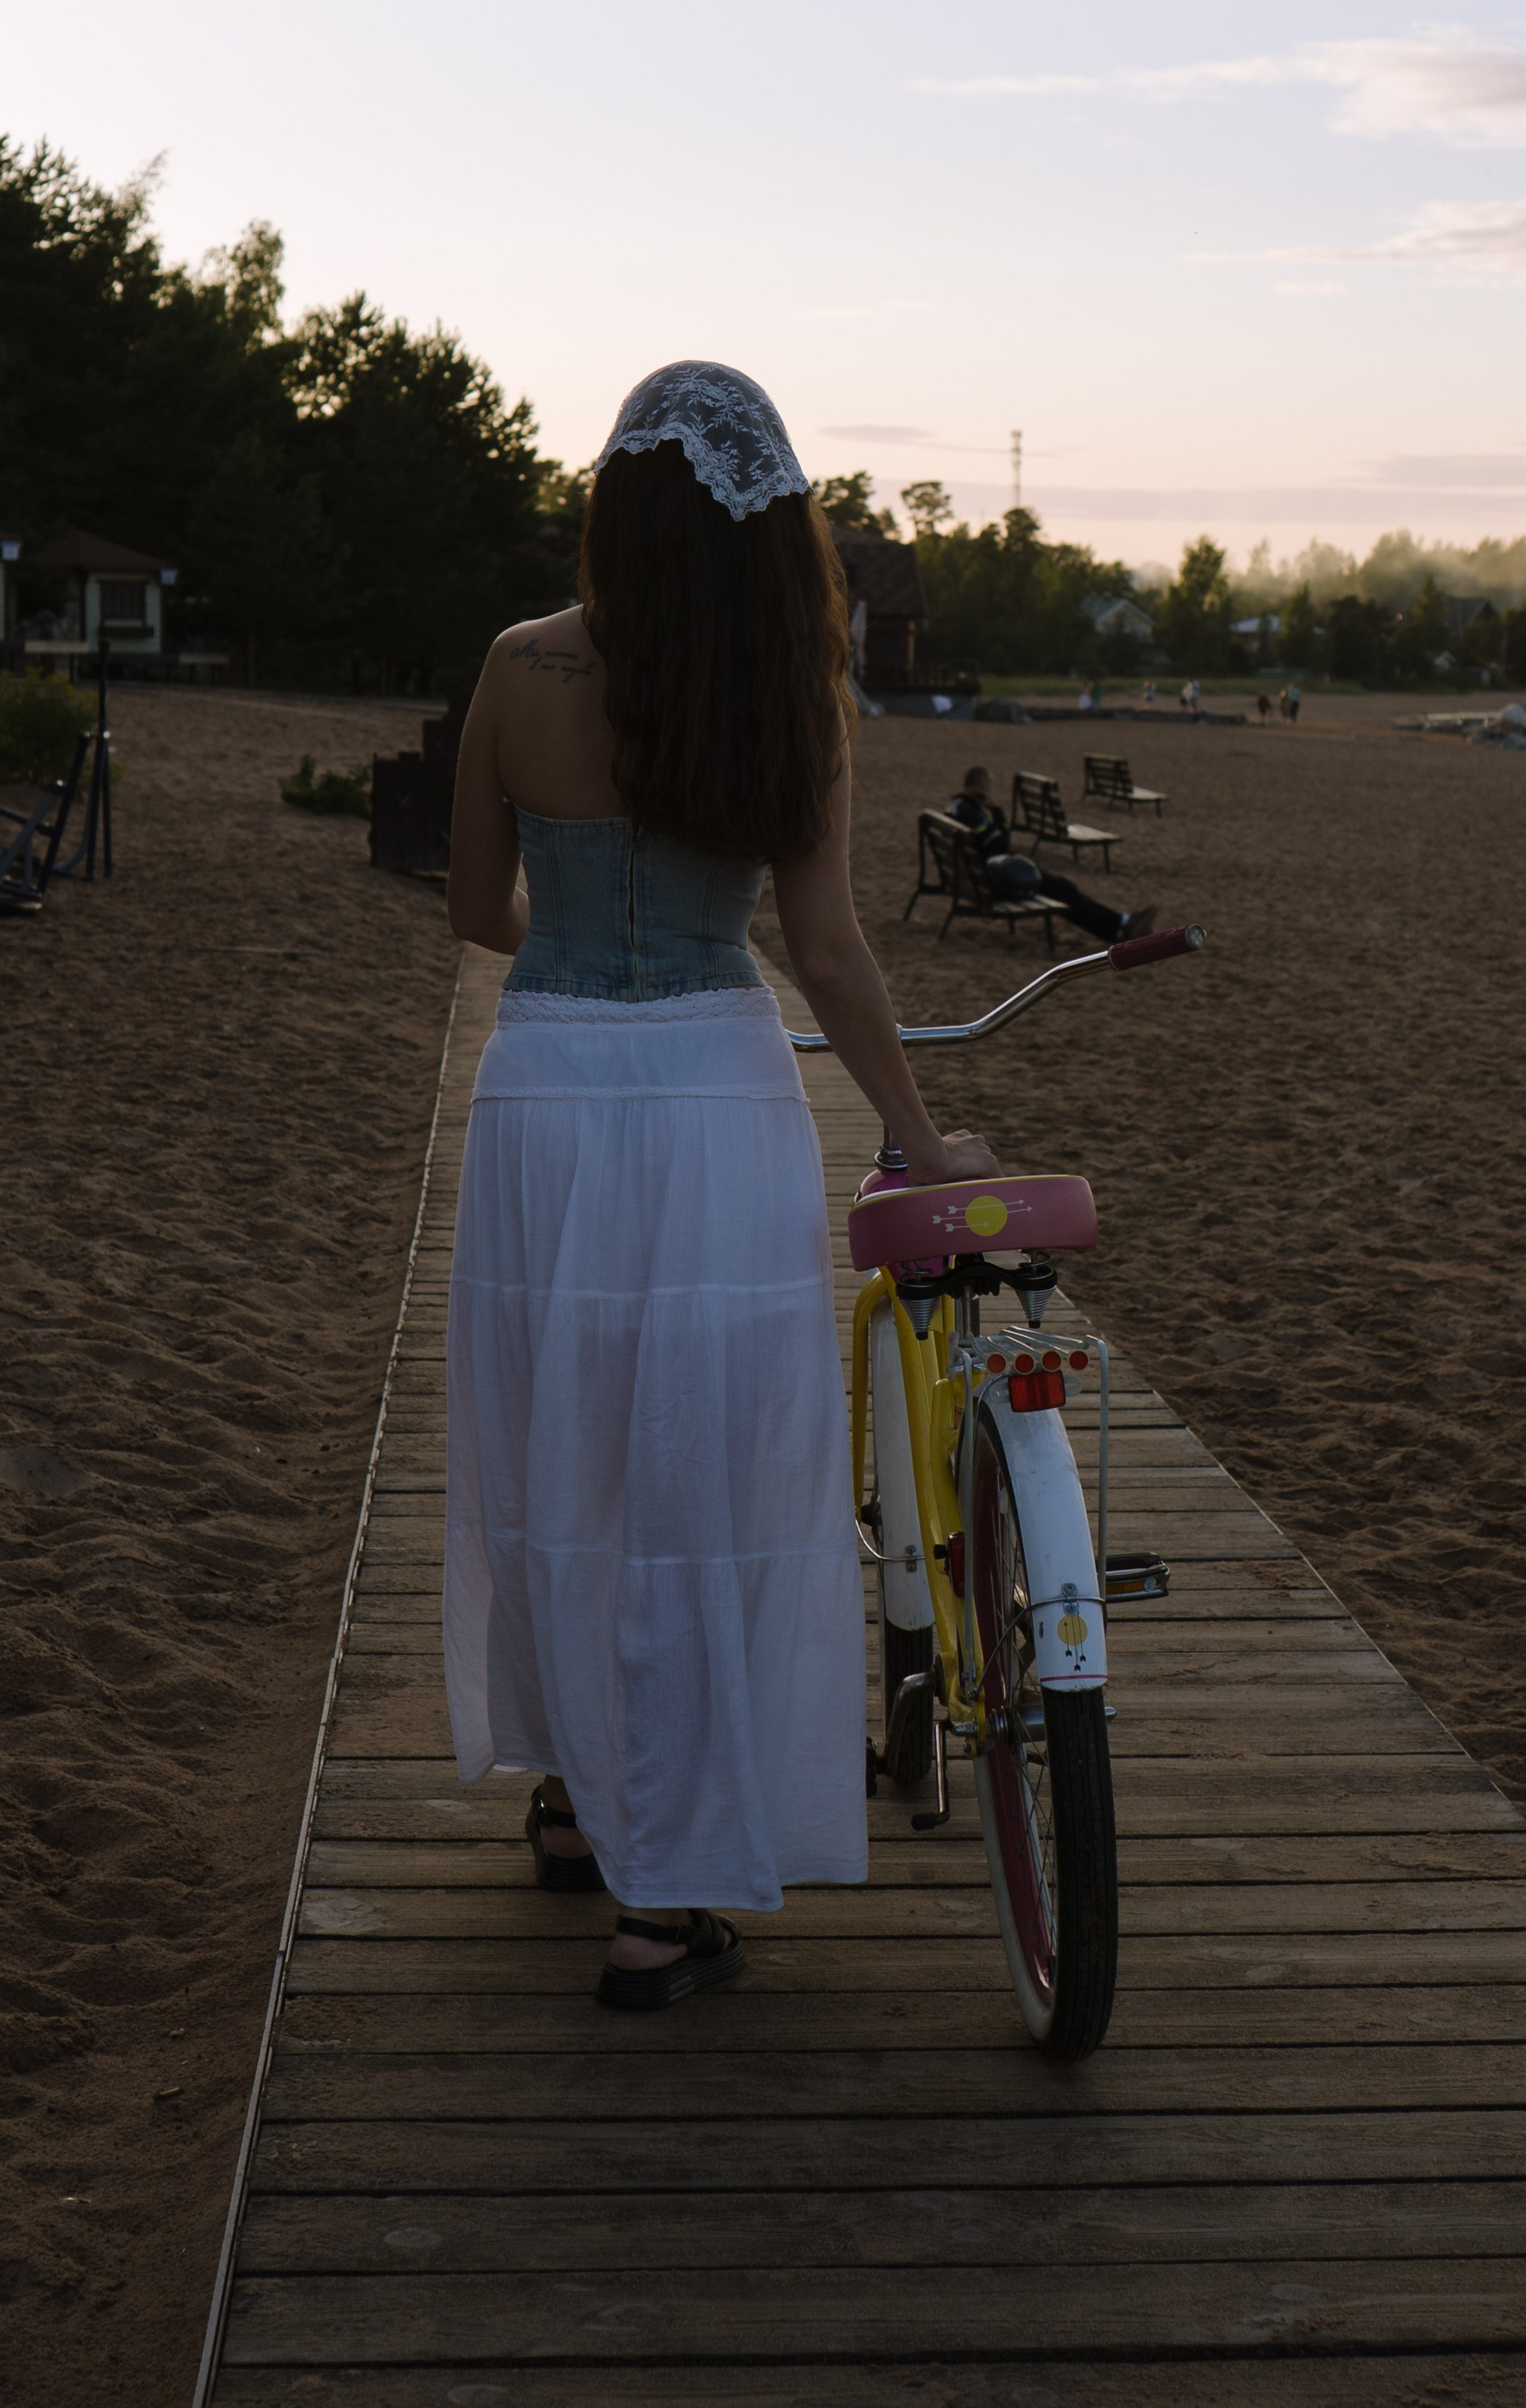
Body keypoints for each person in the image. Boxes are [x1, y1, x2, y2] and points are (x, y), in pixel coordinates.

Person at [444, 363, 999, 2010]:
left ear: (614, 499)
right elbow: (824, 950)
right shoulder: (789, 686)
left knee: (559, 1445)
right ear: (771, 521)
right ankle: (664, 1893)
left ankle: (567, 1800)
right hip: (710, 1096)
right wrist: (912, 1133)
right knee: (697, 1479)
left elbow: (481, 911)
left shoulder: (515, 666)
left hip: (544, 1085)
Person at [948, 766, 1159, 944]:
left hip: (978, 879)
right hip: (997, 883)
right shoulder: (972, 815)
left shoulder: (955, 807)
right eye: (987, 788)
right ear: (977, 788)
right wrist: (997, 811)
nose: (989, 793)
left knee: (1063, 888)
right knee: (1064, 891)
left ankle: (1121, 923)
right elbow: (1001, 842)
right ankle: (1118, 928)